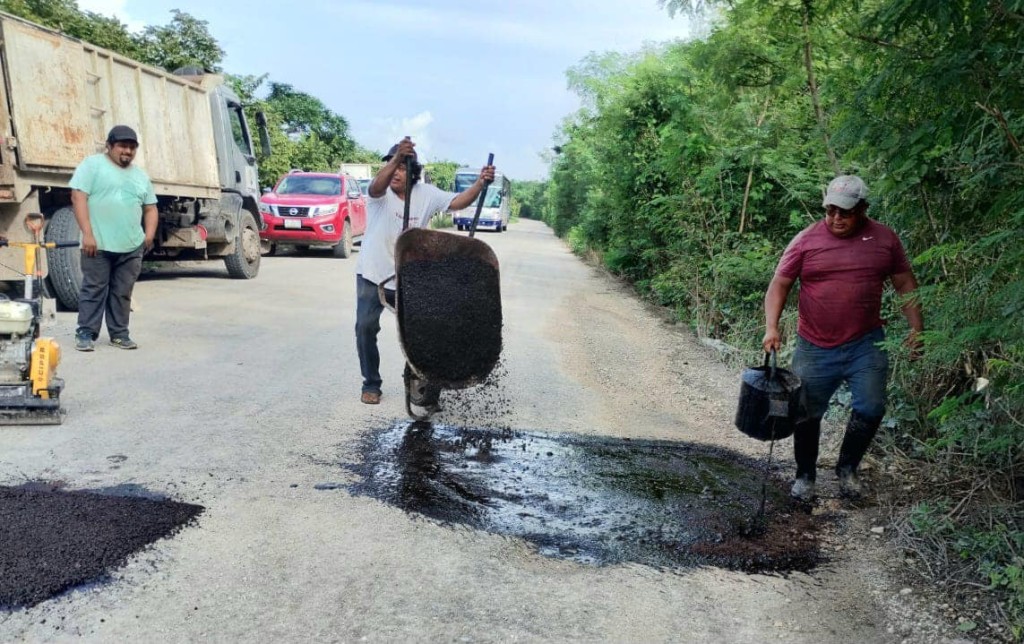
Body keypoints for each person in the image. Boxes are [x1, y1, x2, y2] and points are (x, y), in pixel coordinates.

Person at [762, 175, 923, 501]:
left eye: (845, 212)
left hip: (866, 344)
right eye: (831, 210)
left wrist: (917, 330)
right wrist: (772, 327)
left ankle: (847, 470)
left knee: (871, 407)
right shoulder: (805, 241)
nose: (837, 218)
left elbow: (905, 283)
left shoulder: (885, 240)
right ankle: (805, 476)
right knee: (806, 412)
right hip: (814, 346)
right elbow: (779, 285)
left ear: (863, 208)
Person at [355, 137, 495, 406]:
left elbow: (457, 202)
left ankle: (418, 379)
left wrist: (480, 183)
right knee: (365, 327)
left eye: (402, 168)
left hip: (409, 277)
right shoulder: (380, 194)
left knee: (420, 332)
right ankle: (371, 383)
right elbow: (374, 187)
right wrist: (397, 157)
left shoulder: (426, 194)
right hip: (373, 272)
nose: (395, 172)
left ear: (414, 172)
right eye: (391, 165)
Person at [70, 125, 158, 351]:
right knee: (94, 289)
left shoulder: (140, 176)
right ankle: (86, 334)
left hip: (131, 245)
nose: (127, 151)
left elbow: (150, 208)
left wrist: (148, 236)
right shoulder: (92, 165)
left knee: (123, 292)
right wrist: (87, 234)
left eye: (132, 147)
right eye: (122, 146)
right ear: (109, 146)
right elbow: (78, 197)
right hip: (97, 244)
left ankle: (119, 334)